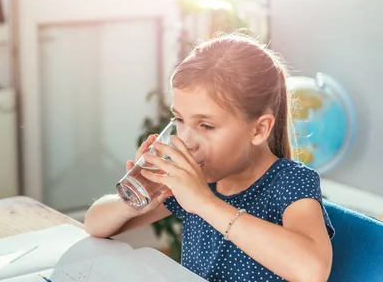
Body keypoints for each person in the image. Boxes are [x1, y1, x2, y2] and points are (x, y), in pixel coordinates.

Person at [84, 34, 334, 282]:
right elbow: (94, 224)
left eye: (206, 126)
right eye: (180, 120)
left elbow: (312, 271)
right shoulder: (197, 178)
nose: (187, 141)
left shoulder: (290, 181)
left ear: (258, 130)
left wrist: (204, 202)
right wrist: (136, 200)